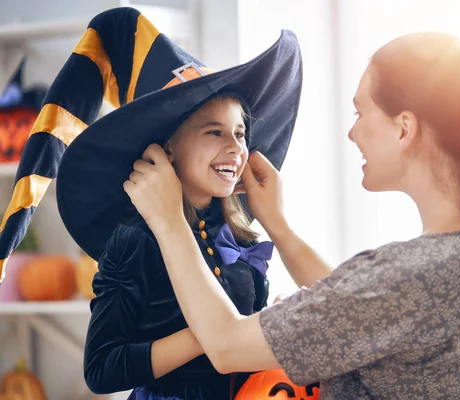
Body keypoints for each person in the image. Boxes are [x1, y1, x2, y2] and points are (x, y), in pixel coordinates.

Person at [125, 31, 460, 399]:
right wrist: (277, 223)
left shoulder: (411, 274)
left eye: (360, 112)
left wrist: (168, 221)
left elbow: (226, 346)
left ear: (404, 128)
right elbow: (367, 309)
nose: (353, 132)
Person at [0, 7, 302, 400]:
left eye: (241, 133)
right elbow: (101, 369)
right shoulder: (135, 239)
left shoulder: (240, 237)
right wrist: (213, 332)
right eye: (215, 132)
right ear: (169, 147)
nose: (236, 148)